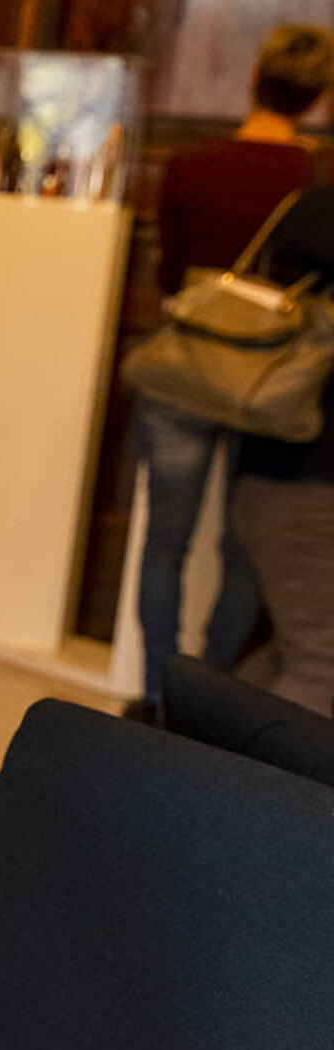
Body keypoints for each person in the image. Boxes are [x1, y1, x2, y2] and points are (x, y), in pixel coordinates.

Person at [127, 24, 332, 721]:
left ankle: (158, 694)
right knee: (240, 550)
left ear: (253, 79)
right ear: (318, 98)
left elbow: (169, 275)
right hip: (265, 384)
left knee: (165, 542)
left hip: (186, 373)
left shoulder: (191, 165)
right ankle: (208, 701)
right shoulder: (310, 181)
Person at [234, 180, 334, 715]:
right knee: (320, 666)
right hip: (304, 488)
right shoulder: (321, 213)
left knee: (291, 653)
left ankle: (196, 746)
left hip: (288, 480)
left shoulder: (313, 208)